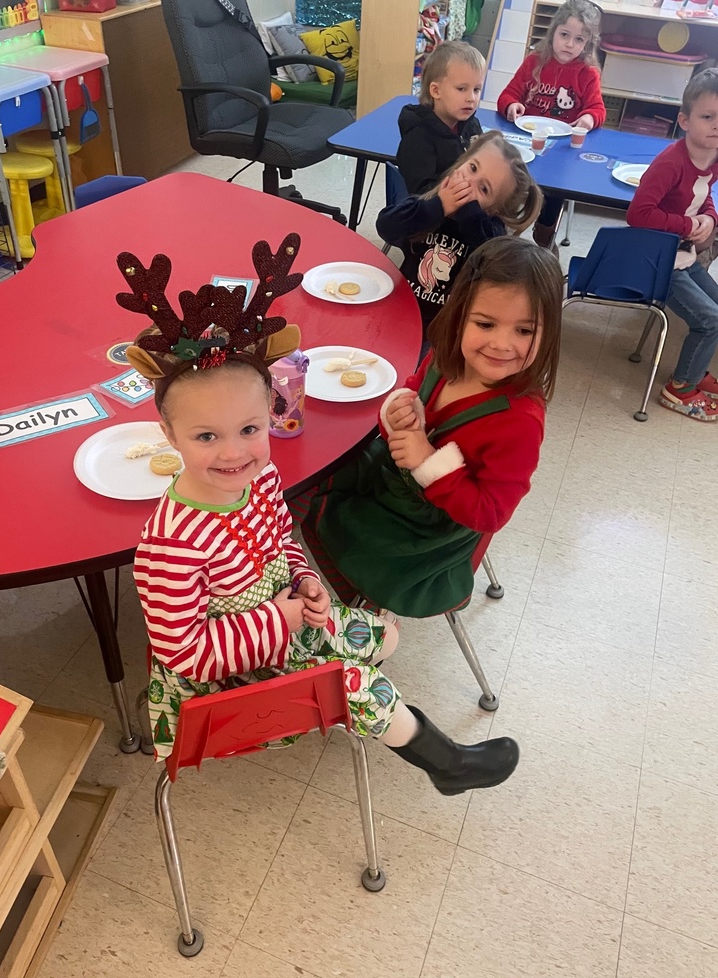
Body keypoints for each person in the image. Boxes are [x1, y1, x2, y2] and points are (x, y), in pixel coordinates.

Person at [120, 240, 519, 797]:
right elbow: (185, 653)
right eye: (206, 436)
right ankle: (445, 763)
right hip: (220, 686)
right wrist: (281, 618)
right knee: (356, 684)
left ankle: (362, 703)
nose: (234, 453)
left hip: (281, 623)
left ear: (269, 415)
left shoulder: (260, 476)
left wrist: (303, 578)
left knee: (384, 635)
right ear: (168, 434)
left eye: (249, 430)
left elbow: (280, 539)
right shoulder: (171, 545)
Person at [300, 236, 563, 621]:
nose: (502, 344)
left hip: (427, 529)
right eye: (485, 324)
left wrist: (427, 461)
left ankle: (366, 614)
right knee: (312, 469)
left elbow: (490, 513)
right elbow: (411, 390)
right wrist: (397, 412)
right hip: (395, 479)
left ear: (549, 332)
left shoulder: (519, 422)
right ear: (460, 315)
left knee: (341, 528)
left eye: (525, 331)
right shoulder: (446, 354)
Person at [377, 132, 542, 359]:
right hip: (400, 311)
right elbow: (386, 227)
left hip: (445, 332)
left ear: (494, 209)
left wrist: (470, 215)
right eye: (472, 168)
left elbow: (494, 269)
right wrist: (436, 207)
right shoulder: (427, 207)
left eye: (484, 189)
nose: (468, 183)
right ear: (461, 162)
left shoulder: (489, 233)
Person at [627, 68, 718, 421]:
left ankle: (694, 369)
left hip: (681, 255)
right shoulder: (670, 163)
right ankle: (680, 388)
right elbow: (638, 214)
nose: (716, 126)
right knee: (710, 320)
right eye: (708, 117)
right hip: (654, 259)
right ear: (684, 121)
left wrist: (709, 217)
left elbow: (702, 195)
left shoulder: (711, 157)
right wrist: (689, 224)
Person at [497, 0, 605, 249]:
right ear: (553, 32)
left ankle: (545, 237)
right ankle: (502, 230)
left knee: (554, 193)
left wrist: (589, 118)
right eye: (564, 35)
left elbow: (598, 109)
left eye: (579, 39)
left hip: (560, 153)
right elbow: (507, 95)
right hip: (526, 144)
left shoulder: (587, 73)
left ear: (587, 44)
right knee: (508, 184)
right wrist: (512, 106)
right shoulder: (534, 62)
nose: (569, 44)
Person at [397, 40, 486, 196]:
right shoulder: (418, 136)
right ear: (436, 91)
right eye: (461, 89)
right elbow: (421, 194)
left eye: (477, 90)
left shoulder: (471, 125)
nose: (471, 98)